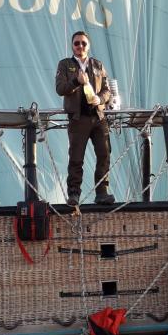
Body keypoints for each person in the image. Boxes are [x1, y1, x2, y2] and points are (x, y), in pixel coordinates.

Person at [55, 31, 115, 206]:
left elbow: (107, 90)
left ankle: (102, 192)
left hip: (98, 117)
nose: (80, 46)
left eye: (83, 43)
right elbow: (60, 89)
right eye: (76, 43)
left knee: (104, 154)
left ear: (88, 46)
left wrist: (100, 99)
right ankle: (74, 194)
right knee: (76, 158)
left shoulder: (97, 65)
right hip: (78, 119)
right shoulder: (65, 64)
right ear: (72, 46)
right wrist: (76, 81)